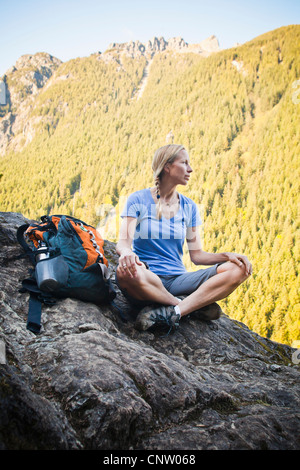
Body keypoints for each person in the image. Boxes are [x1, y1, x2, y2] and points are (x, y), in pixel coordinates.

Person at [116, 144, 252, 333]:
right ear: (167, 167)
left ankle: (176, 312)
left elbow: (197, 256)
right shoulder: (137, 199)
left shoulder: (189, 207)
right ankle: (186, 305)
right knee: (124, 273)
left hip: (178, 281)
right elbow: (123, 242)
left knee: (239, 269)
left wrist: (227, 256)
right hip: (147, 278)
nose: (190, 169)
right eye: (185, 163)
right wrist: (126, 253)